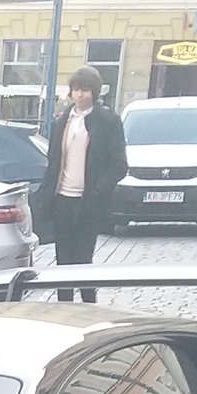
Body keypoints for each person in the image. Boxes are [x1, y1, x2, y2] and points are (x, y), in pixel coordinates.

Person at [34, 66, 125, 303]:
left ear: (94, 92)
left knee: (83, 260)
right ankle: (64, 306)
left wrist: (97, 190)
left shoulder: (107, 121)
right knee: (63, 260)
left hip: (89, 202)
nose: (80, 95)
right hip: (62, 198)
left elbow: (118, 165)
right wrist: (47, 194)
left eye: (85, 90)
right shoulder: (62, 121)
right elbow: (53, 160)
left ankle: (89, 306)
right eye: (76, 90)